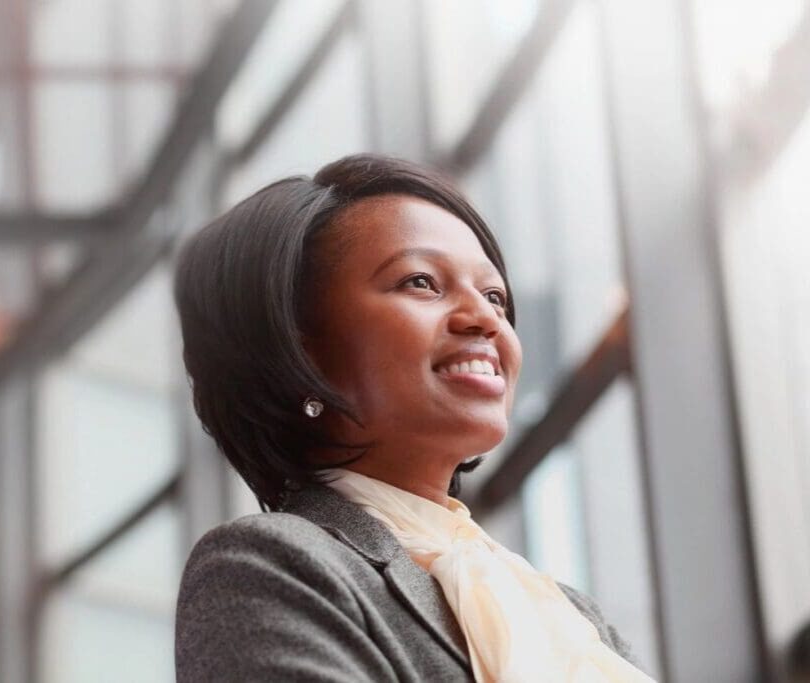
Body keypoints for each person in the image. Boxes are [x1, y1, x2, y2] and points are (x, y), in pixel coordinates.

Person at [173, 154, 654, 681]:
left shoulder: (577, 621)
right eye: (421, 282)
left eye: (494, 295)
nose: (484, 319)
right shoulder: (268, 567)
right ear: (299, 347)